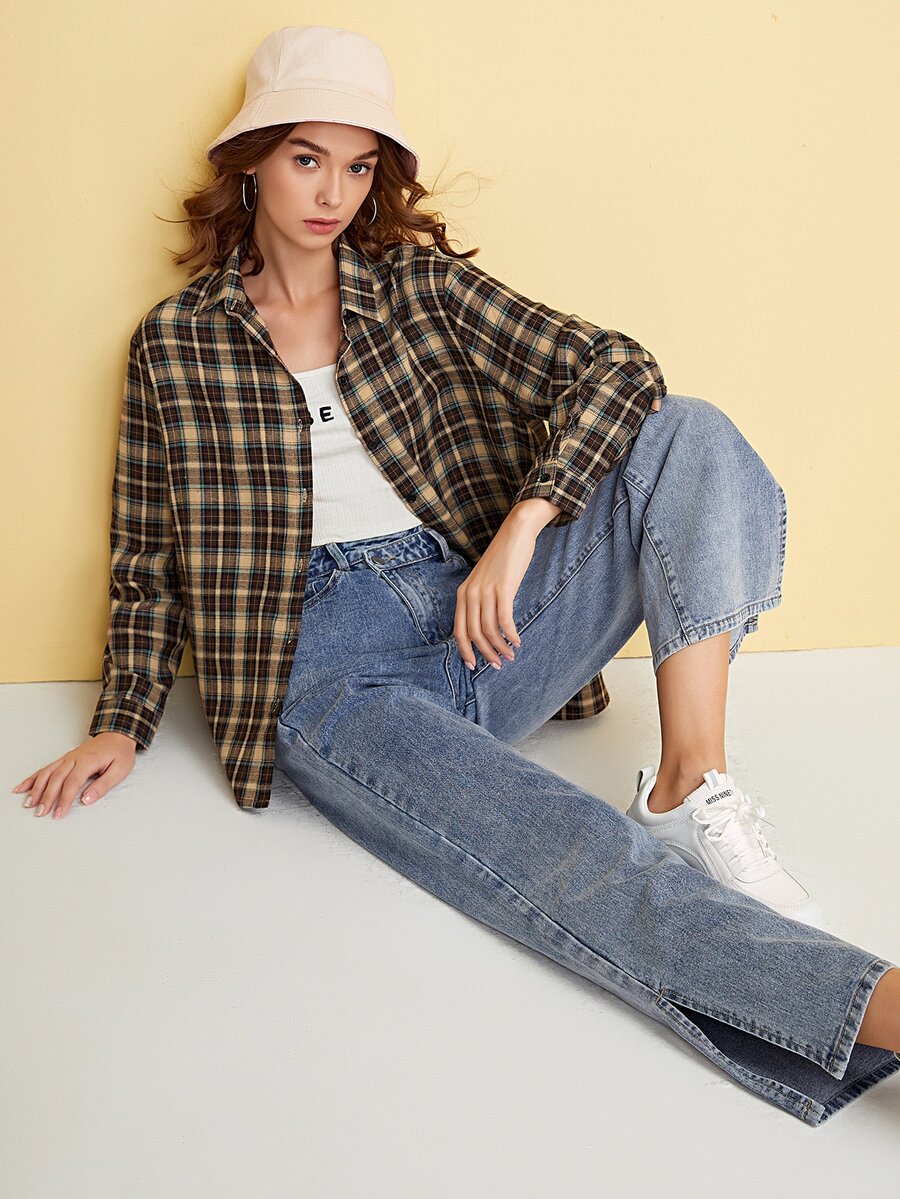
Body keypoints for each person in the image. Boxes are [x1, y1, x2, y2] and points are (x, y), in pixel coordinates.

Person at [12, 24, 900, 1125]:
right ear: (250, 162)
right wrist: (121, 717)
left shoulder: (416, 288)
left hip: (479, 610)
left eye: (358, 165)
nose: (332, 191)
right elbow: (148, 554)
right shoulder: (174, 343)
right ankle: (873, 1008)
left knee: (691, 431)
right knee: (565, 851)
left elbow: (620, 368)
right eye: (305, 157)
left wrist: (525, 523)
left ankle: (688, 778)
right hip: (330, 672)